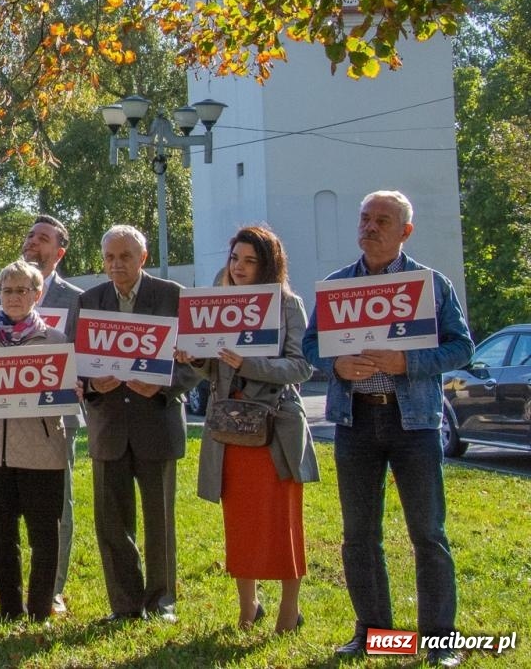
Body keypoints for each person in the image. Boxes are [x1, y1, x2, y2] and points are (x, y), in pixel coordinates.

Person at [304, 191, 473, 666]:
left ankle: (440, 639)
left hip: (414, 421)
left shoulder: (430, 285)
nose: (370, 227)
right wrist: (336, 366)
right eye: (365, 219)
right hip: (355, 420)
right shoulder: (337, 287)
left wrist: (409, 361)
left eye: (382, 220)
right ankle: (374, 632)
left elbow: (463, 348)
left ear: (405, 231)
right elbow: (312, 346)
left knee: (427, 532)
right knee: (359, 534)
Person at [174, 225, 316, 633]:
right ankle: (247, 606)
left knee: (282, 520)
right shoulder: (216, 303)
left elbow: (302, 366)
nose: (239, 267)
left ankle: (290, 610)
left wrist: (247, 363)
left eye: (250, 260)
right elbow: (210, 369)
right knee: (239, 523)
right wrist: (194, 358)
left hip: (276, 428)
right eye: (235, 258)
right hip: (228, 428)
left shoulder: (288, 305)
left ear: (268, 264)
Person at [0, 215, 84, 615]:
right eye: (29, 235)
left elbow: (81, 366)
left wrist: (76, 387)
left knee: (51, 522)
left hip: (48, 436)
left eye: (42, 238)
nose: (32, 242)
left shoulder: (75, 303)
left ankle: (50, 597)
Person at [78, 224, 197, 623]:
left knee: (159, 522)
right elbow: (72, 364)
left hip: (156, 423)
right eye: (110, 257)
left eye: (125, 256)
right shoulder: (89, 301)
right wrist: (92, 382)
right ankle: (125, 605)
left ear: (142, 258)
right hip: (108, 426)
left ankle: (161, 602)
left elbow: (197, 362)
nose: (116, 265)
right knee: (111, 523)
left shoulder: (173, 297)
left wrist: (164, 387)